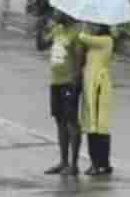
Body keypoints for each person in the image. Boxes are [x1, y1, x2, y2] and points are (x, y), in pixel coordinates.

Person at [36, 11, 83, 175]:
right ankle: (63, 162)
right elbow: (41, 46)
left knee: (72, 122)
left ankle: (74, 164)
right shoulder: (57, 30)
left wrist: (76, 82)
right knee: (59, 121)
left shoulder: (77, 33)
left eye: (59, 11)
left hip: (69, 83)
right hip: (55, 82)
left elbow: (79, 59)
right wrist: (40, 29)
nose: (55, 13)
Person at [78, 24, 116, 176]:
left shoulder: (106, 40)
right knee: (92, 125)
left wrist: (82, 27)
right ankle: (98, 163)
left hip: (99, 86)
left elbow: (82, 37)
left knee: (99, 127)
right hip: (90, 85)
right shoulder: (94, 44)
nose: (92, 28)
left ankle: (100, 163)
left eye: (95, 25)